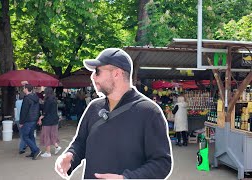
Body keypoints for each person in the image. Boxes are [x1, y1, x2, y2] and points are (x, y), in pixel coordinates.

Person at [55, 48, 172, 179]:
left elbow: (162, 163)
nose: (93, 76)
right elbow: (80, 143)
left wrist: (127, 178)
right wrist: (70, 156)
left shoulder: (149, 112)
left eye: (97, 71)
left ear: (116, 73)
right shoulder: (94, 107)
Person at [37, 87, 62, 158]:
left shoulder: (48, 100)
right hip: (54, 120)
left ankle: (48, 152)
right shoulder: (54, 99)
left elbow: (46, 111)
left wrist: (41, 117)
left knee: (46, 135)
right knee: (52, 135)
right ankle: (57, 147)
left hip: (48, 120)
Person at [19, 84, 41, 160]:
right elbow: (38, 109)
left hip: (28, 120)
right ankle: (33, 152)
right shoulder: (36, 97)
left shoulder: (27, 98)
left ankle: (36, 150)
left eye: (24, 88)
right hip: (34, 119)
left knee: (25, 136)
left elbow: (24, 111)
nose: (23, 89)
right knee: (31, 136)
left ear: (26, 89)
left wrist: (21, 122)